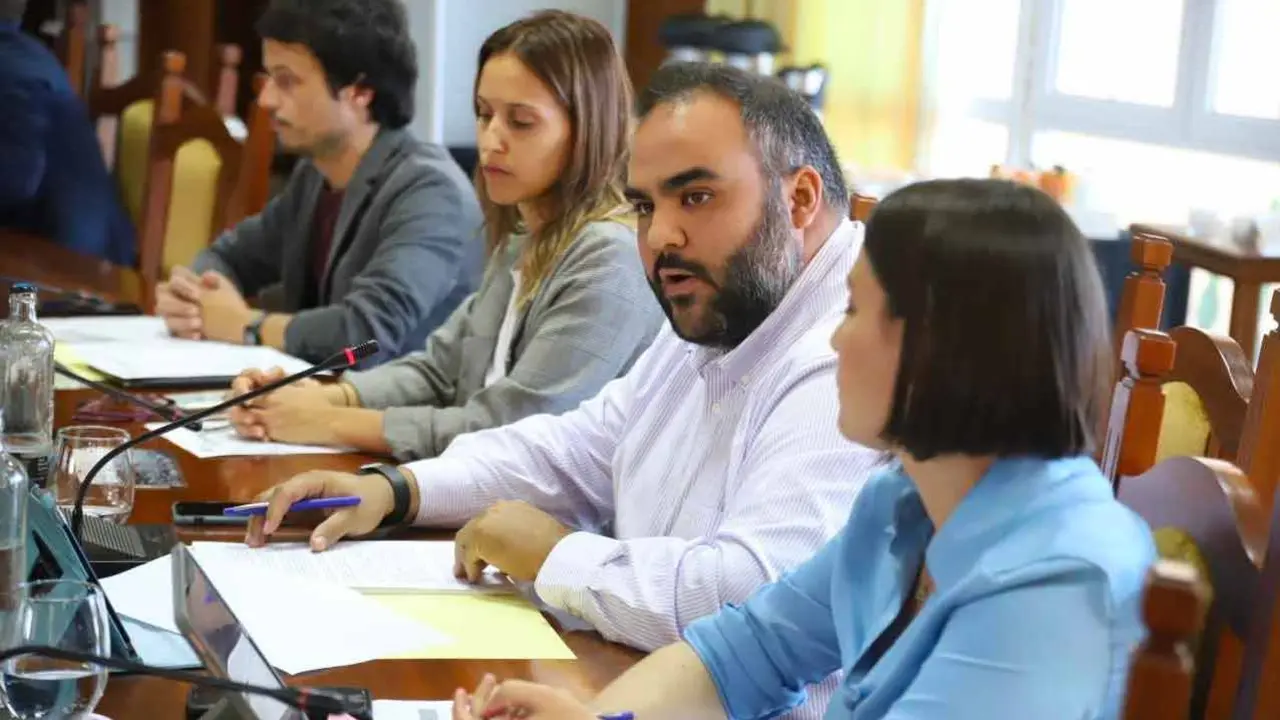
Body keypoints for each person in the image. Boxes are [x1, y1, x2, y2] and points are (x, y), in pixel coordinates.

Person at [247, 63, 884, 716]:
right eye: (645, 206)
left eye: (695, 197)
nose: (661, 235)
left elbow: (752, 599)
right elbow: (579, 446)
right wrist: (399, 489)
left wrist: (559, 557)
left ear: (799, 201)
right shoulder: (728, 303)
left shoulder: (850, 352)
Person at [450, 178, 1158, 720]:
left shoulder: (1055, 584)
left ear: (941, 344)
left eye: (854, 310)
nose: (836, 339)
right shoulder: (903, 501)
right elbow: (742, 655)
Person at [223, 10, 662, 461]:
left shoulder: (610, 258)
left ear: (586, 129)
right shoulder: (524, 237)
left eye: (521, 122)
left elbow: (512, 430)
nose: (491, 139)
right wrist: (313, 395)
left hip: (548, 523)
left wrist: (328, 421)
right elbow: (439, 371)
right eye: (484, 113)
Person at [155, 0, 483, 367]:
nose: (265, 100)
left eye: (287, 81)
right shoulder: (315, 176)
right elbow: (230, 255)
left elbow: (366, 337)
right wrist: (194, 298)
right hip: (319, 404)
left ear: (360, 91)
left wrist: (248, 326)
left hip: (398, 416)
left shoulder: (431, 193)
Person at [0, 0, 135, 266]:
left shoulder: (10, 67)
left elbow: (17, 180)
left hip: (76, 270)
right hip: (46, 250)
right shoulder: (20, 53)